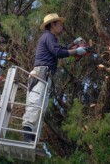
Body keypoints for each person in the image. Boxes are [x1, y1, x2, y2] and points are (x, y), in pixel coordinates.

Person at [22, 13, 86, 142]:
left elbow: (60, 49)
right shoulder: (48, 36)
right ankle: (27, 135)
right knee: (35, 103)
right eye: (59, 23)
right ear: (52, 24)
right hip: (40, 74)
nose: (62, 25)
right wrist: (75, 51)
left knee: (41, 107)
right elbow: (58, 52)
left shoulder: (51, 38)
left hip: (45, 76)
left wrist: (72, 44)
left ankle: (32, 136)